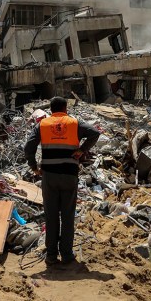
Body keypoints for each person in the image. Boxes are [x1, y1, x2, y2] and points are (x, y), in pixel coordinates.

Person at [23, 96, 100, 266]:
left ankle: (51, 256)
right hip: (69, 175)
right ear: (65, 108)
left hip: (49, 176)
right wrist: (82, 150)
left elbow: (28, 147)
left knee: (51, 216)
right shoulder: (74, 122)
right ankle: (66, 255)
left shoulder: (42, 124)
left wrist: (34, 166)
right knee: (67, 216)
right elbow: (95, 133)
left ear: (51, 109)